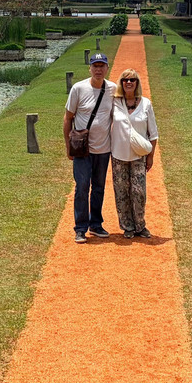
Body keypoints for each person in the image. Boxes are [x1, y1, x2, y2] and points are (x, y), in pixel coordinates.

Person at [64, 52, 116, 243]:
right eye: (95, 66)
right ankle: (80, 227)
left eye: (102, 66)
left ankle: (96, 224)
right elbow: (68, 118)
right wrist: (68, 146)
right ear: (90, 68)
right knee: (82, 187)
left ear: (107, 68)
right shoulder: (78, 88)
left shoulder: (112, 89)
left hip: (104, 148)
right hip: (82, 149)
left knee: (99, 187)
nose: (98, 70)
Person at [110, 68, 159, 239]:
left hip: (139, 155)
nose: (128, 82)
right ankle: (127, 226)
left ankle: (140, 225)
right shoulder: (114, 102)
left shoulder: (146, 104)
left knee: (139, 192)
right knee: (121, 191)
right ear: (121, 84)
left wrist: (151, 156)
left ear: (137, 83)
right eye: (125, 80)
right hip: (118, 154)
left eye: (132, 80)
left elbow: (153, 133)